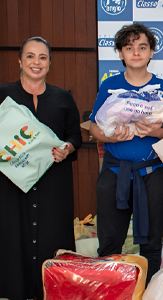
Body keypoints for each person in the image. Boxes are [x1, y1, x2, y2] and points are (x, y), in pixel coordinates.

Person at [89, 23, 163, 283]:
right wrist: (110, 136)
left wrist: (154, 132)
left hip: (153, 174)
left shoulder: (162, 87)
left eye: (142, 47)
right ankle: (110, 292)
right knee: (109, 244)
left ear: (151, 53)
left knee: (151, 244)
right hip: (114, 172)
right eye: (129, 48)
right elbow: (94, 127)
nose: (136, 53)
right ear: (120, 53)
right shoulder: (110, 86)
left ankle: (147, 292)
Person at [0, 36, 82, 300]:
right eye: (31, 56)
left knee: (52, 237)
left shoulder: (63, 98)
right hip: (10, 185)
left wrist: (67, 148)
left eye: (43, 57)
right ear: (20, 61)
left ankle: (53, 291)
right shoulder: (2, 95)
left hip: (53, 184)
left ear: (49, 63)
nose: (37, 62)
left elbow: (75, 136)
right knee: (13, 237)